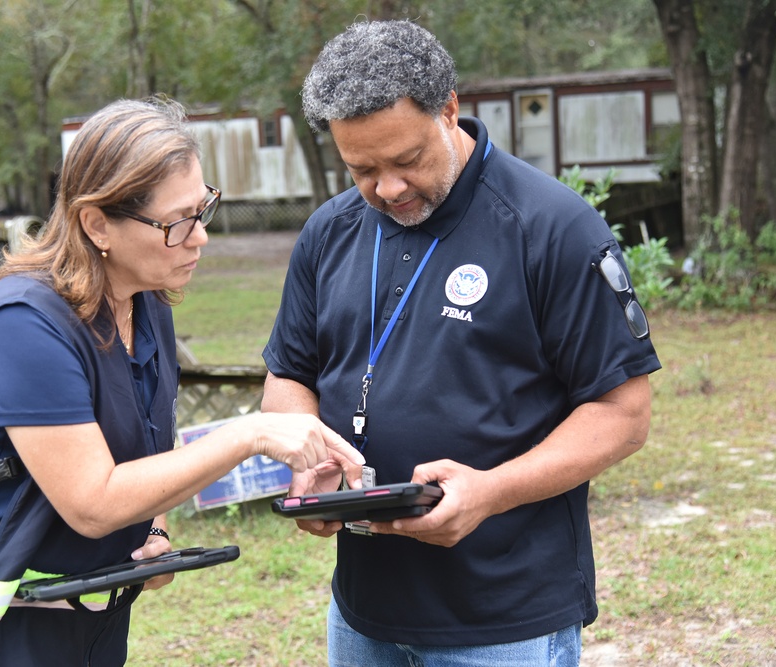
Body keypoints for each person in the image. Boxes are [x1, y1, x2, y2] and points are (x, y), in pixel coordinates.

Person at [0, 98, 364, 667]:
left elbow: (146, 442)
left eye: (202, 209)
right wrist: (247, 434)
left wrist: (151, 528)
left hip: (78, 621)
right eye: (176, 222)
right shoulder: (23, 326)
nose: (200, 236)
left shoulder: (146, 302)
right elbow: (92, 502)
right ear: (97, 222)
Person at [261, 20, 661, 666]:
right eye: (363, 169)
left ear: (450, 108)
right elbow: (290, 375)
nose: (387, 189)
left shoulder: (552, 228)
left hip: (507, 619)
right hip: (362, 611)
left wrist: (491, 491)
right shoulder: (327, 232)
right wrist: (306, 456)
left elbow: (624, 415)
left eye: (407, 160)